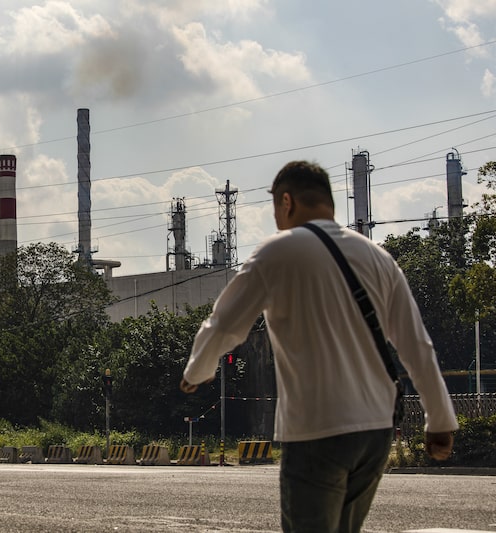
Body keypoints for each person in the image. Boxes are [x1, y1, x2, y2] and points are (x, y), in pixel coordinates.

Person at [180, 160, 458, 533]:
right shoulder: (379, 258)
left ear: (287, 202)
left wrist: (197, 371)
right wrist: (439, 420)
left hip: (317, 429)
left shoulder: (276, 253)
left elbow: (224, 325)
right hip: (375, 431)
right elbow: (416, 345)